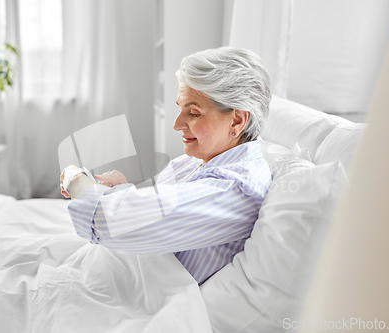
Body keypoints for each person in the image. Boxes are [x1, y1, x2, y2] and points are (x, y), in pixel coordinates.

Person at [59, 47, 272, 285]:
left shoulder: (234, 189)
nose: (177, 124)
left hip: (139, 297)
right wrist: (124, 192)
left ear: (237, 120)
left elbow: (106, 221)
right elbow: (160, 215)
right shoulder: (201, 160)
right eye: (180, 108)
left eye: (193, 113)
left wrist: (75, 176)